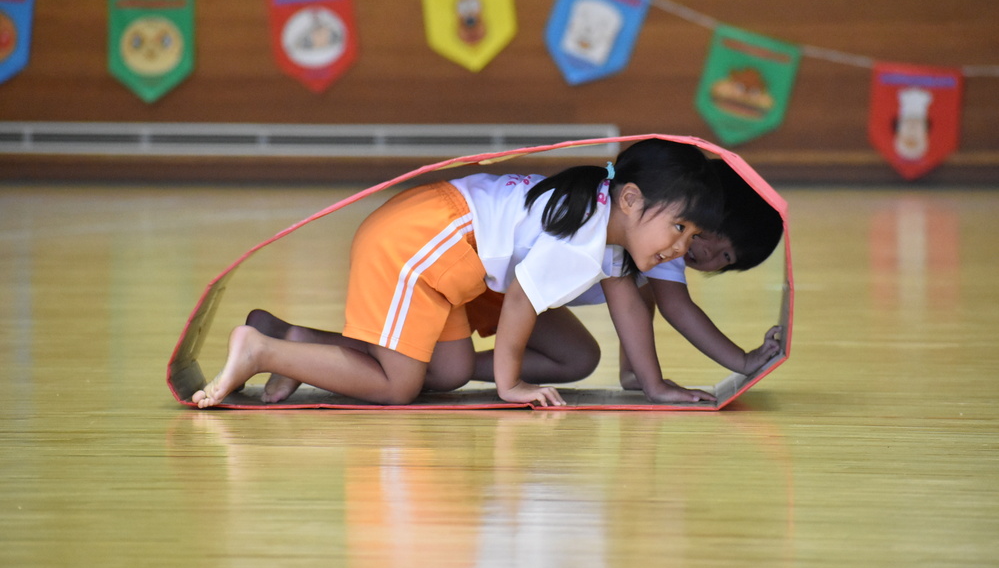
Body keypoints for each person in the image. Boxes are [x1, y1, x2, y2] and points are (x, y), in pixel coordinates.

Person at [191, 138, 724, 409]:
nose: (680, 247)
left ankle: (296, 342)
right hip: (423, 240)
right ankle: (261, 351)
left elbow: (629, 303)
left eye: (690, 236)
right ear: (631, 199)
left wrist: (653, 385)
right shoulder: (584, 241)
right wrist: (510, 385)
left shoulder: (607, 220)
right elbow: (520, 302)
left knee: (445, 374)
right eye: (677, 227)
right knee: (400, 387)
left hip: (451, 254)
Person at [467, 159, 785, 391]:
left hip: (510, 290)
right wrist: (742, 361)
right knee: (446, 370)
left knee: (580, 359)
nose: (703, 251)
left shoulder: (659, 244)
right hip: (483, 273)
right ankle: (455, 367)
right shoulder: (656, 241)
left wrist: (648, 381)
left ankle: (462, 367)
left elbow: (634, 307)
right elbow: (676, 308)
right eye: (706, 231)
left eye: (726, 257)